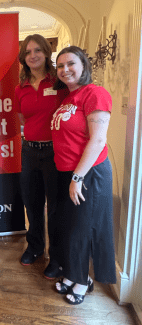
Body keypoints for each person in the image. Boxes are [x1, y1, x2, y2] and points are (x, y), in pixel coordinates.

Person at [51, 46, 116, 305]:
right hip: (68, 172)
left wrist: (77, 177)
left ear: (84, 66)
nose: (65, 69)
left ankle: (82, 281)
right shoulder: (67, 98)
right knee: (70, 229)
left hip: (88, 173)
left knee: (82, 230)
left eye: (70, 64)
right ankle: (73, 273)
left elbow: (98, 139)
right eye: (60, 66)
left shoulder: (95, 93)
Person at [14, 34, 68, 279]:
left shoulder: (58, 82)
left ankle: (56, 257)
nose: (32, 55)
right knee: (32, 203)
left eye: (37, 50)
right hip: (29, 150)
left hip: (54, 152)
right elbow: (22, 118)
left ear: (47, 53)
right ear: (23, 58)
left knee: (55, 207)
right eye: (27, 52)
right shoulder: (20, 87)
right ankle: (35, 247)